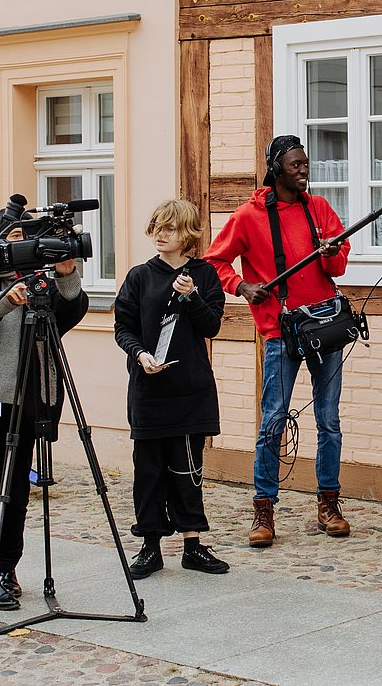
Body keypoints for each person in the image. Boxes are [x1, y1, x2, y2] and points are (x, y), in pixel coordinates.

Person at [205, 134, 351, 548]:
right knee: (272, 422)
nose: (304, 170)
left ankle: (329, 504)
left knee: (330, 421)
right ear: (275, 168)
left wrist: (328, 252)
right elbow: (214, 261)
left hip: (325, 327)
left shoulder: (319, 208)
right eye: (296, 165)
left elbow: (338, 264)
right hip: (279, 331)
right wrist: (241, 286)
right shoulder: (249, 215)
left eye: (306, 163)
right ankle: (264, 509)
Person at [0, 199, 88, 610]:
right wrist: (7, 299)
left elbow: (70, 313)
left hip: (27, 404)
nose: (22, 242)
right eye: (13, 236)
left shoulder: (39, 279)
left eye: (27, 236)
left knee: (17, 492)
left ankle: (7, 566)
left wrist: (66, 274)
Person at [114, 198, 229, 579]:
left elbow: (212, 326)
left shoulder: (205, 275)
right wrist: (141, 354)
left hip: (190, 388)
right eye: (158, 227)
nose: (162, 235)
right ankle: (150, 546)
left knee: (188, 468)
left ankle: (193, 545)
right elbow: (123, 328)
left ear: (188, 234)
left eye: (171, 228)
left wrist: (192, 296)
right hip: (149, 389)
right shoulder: (139, 277)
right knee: (148, 470)